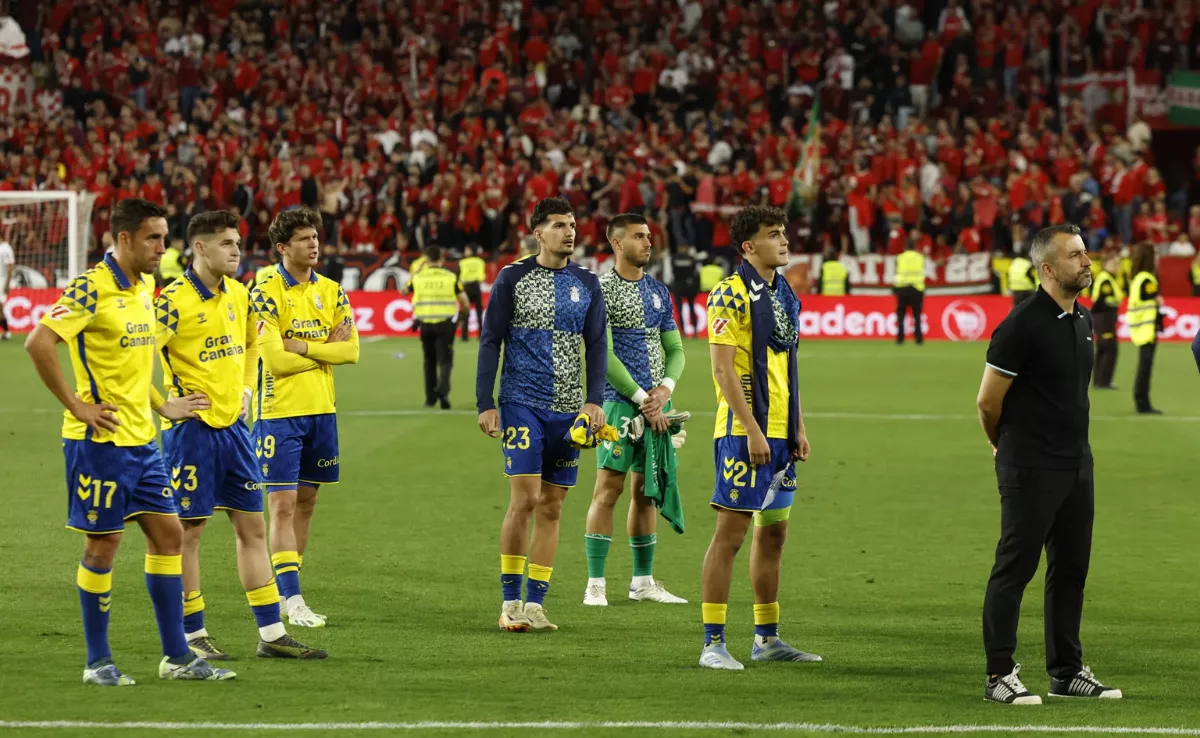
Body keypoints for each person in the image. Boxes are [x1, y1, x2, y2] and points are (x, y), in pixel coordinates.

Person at [23, 198, 234, 684]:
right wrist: (78, 406)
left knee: (169, 535)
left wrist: (161, 405)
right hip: (100, 442)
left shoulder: (143, 286)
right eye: (153, 238)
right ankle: (98, 662)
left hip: (143, 441)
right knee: (104, 546)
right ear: (123, 239)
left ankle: (176, 658)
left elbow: (136, 362)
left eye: (164, 237)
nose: (164, 247)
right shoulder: (90, 288)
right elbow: (39, 342)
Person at [155, 210, 326, 661]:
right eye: (227, 243)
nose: (236, 251)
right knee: (188, 533)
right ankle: (193, 635)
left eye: (237, 242)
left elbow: (252, 344)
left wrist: (248, 388)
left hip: (236, 431)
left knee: (252, 528)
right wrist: (162, 404)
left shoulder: (240, 294)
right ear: (200, 248)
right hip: (191, 432)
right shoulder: (172, 300)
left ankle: (271, 635)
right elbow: (135, 355)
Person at [976, 223, 1121, 705]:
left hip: (1078, 464)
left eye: (1085, 252)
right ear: (1047, 268)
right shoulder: (1020, 326)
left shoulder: (1081, 321)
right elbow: (987, 403)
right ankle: (999, 674)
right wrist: (1007, 449)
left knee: (1071, 568)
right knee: (1015, 569)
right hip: (1031, 466)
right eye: (1076, 255)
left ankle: (1066, 670)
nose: (1087, 261)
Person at [477, 197, 608, 633]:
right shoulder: (512, 278)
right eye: (558, 225)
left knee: (552, 507)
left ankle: (535, 605)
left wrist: (594, 400)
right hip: (521, 403)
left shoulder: (588, 283)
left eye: (572, 224)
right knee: (526, 499)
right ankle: (510, 602)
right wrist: (486, 402)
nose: (569, 231)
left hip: (570, 411)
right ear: (538, 234)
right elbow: (490, 339)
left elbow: (596, 346)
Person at [698, 205, 819, 670]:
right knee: (730, 534)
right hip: (743, 433)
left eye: (785, 233)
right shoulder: (729, 295)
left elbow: (788, 366)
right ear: (749, 247)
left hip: (780, 436)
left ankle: (766, 639)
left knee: (775, 535)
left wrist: (798, 426)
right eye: (774, 235)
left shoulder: (785, 294)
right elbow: (722, 369)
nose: (784, 241)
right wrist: (751, 429)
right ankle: (712, 643)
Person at [250, 207, 360, 629]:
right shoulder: (264, 290)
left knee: (307, 504)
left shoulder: (332, 290)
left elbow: (350, 351)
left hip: (321, 411)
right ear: (283, 247)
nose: (314, 244)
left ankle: (284, 587)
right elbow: (274, 361)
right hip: (279, 412)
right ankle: (293, 599)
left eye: (315, 237)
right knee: (282, 506)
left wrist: (303, 347)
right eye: (303, 239)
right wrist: (319, 349)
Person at [583, 213, 687, 607]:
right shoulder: (600, 290)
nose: (648, 242)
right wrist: (644, 399)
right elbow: (603, 353)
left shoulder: (659, 291)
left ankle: (642, 581)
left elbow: (675, 349)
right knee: (608, 489)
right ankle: (595, 584)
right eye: (639, 237)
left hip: (659, 405)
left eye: (648, 236)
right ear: (616, 243)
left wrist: (665, 389)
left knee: (646, 490)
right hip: (617, 404)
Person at [402, 245, 469, 409]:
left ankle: (430, 398)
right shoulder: (450, 277)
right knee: (445, 361)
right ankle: (443, 393)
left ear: (426, 259)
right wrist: (459, 319)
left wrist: (416, 271)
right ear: (442, 259)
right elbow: (465, 303)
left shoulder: (418, 278)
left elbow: (403, 291)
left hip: (425, 325)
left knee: (429, 361)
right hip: (445, 325)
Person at [1126, 243, 1162, 414]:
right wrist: (1157, 300)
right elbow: (1152, 298)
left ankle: (1142, 400)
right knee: (1145, 366)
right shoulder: (1147, 278)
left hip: (1141, 328)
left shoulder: (1138, 277)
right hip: (1147, 329)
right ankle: (1142, 402)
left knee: (1144, 365)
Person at [1089, 254, 1123, 390]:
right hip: (1104, 318)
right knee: (1110, 349)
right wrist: (1113, 308)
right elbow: (1102, 301)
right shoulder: (1106, 280)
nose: (1117, 267)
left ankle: (1099, 380)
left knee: (1103, 348)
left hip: (1103, 318)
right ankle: (1104, 381)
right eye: (1114, 264)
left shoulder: (1108, 279)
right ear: (1106, 265)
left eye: (1117, 264)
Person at [893, 239, 925, 345]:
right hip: (917, 287)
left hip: (902, 287)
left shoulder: (900, 257)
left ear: (905, 247)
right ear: (915, 247)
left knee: (901, 314)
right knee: (917, 314)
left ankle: (900, 338)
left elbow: (896, 270)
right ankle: (919, 338)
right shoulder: (920, 257)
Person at [457, 245, 487, 341]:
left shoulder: (462, 262)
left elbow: (458, 275)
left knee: (466, 311)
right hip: (476, 286)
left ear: (471, 250)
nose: (465, 251)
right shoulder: (480, 261)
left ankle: (464, 336)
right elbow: (483, 274)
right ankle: (481, 335)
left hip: (466, 287)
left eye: (467, 249)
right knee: (479, 312)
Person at [670, 245, 700, 337]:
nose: (683, 249)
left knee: (688, 308)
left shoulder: (674, 258)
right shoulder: (691, 259)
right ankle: (683, 331)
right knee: (681, 309)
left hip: (683, 285)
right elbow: (694, 272)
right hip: (684, 285)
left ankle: (693, 331)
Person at [0, 229, 13, 340]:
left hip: (1, 281)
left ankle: (7, 332)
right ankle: (6, 332)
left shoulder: (6, 249)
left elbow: (10, 266)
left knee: (0, 307)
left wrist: (7, 283)